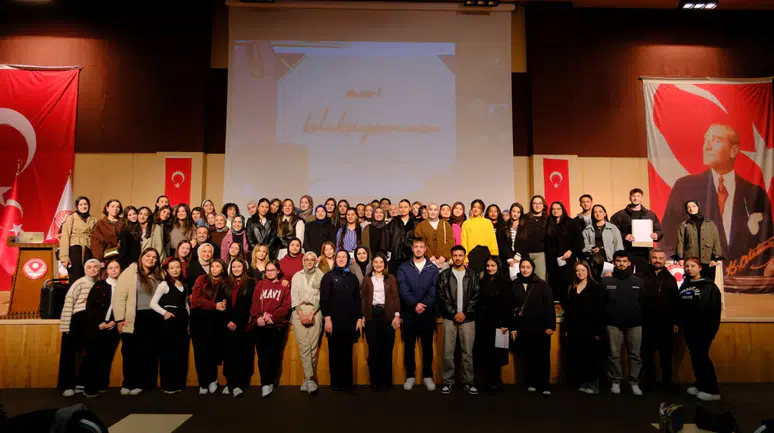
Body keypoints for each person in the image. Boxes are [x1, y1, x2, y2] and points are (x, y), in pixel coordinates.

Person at [661, 123, 773, 264]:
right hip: (699, 274)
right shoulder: (684, 187)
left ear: (734, 151)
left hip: (742, 279)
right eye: (705, 140)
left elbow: (767, 243)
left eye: (716, 140)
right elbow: (668, 237)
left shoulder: (756, 194)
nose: (707, 146)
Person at [113, 248, 163, 396]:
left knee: (148, 352)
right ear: (142, 257)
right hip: (133, 317)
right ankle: (128, 382)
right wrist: (120, 319)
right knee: (129, 352)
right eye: (148, 256)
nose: (151, 259)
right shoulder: (130, 273)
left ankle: (143, 383)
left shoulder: (159, 275)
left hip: (153, 317)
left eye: (154, 257)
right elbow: (119, 297)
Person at [437, 245, 479, 395]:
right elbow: (441, 297)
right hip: (449, 318)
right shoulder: (444, 275)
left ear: (464, 256)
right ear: (451, 257)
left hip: (468, 319)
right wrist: (454, 312)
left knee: (467, 353)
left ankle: (468, 382)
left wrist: (465, 313)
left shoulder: (473, 275)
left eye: (460, 255)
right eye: (455, 255)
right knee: (448, 352)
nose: (457, 258)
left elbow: (476, 296)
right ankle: (448, 382)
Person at [398, 237, 439, 391]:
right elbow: (403, 288)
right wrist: (414, 304)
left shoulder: (433, 268)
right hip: (410, 313)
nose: (419, 249)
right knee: (409, 346)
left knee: (427, 346)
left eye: (421, 246)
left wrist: (424, 304)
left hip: (427, 313)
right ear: (412, 248)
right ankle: (410, 376)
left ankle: (428, 376)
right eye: (416, 246)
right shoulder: (404, 267)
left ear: (425, 249)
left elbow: (435, 289)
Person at [679, 257, 722, 401]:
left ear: (700, 268)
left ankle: (712, 389)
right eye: (687, 266)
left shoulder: (709, 286)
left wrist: (711, 330)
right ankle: (700, 384)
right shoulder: (685, 284)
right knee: (695, 357)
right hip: (689, 328)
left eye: (692, 266)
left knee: (702, 358)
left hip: (703, 329)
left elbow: (715, 311)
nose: (689, 268)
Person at [321, 251, 364, 391]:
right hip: (333, 320)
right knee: (334, 352)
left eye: (344, 257)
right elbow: (324, 300)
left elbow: (357, 299)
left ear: (348, 259)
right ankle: (336, 383)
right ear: (335, 259)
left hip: (350, 320)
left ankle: (347, 383)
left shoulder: (353, 278)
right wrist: (327, 319)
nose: (341, 259)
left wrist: (358, 317)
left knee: (347, 352)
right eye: (338, 257)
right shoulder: (328, 277)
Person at [603, 250, 644, 396]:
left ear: (629, 263)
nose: (621, 264)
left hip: (635, 324)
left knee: (635, 355)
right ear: (614, 262)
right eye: (618, 261)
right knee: (613, 355)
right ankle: (616, 381)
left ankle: (634, 382)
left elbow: (644, 303)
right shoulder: (606, 281)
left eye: (624, 261)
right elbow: (601, 303)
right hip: (613, 324)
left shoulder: (638, 281)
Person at [511, 258, 555, 395]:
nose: (525, 270)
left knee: (542, 357)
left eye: (528, 267)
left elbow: (549, 306)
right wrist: (512, 327)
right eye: (522, 267)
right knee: (527, 356)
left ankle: (545, 385)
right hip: (523, 327)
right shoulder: (514, 284)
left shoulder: (542, 284)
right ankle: (531, 382)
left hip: (540, 326)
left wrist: (550, 326)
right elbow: (509, 307)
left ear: (532, 268)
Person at [638, 248, 680, 393]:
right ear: (650, 259)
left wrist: (675, 321)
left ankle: (667, 383)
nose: (657, 260)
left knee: (666, 356)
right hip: (647, 323)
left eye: (660, 258)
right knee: (647, 355)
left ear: (665, 260)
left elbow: (676, 302)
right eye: (654, 257)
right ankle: (649, 383)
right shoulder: (641, 277)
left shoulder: (670, 279)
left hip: (666, 323)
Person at [57, 258, 100, 397]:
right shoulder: (79, 283)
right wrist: (65, 325)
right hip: (76, 319)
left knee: (89, 353)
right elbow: (69, 303)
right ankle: (66, 385)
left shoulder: (100, 285)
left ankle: (81, 382)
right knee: (69, 354)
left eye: (95, 267)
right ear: (85, 269)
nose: (92, 269)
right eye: (90, 267)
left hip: (91, 321)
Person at [250, 260, 291, 398]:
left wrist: (273, 317)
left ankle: (272, 381)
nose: (270, 272)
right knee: (262, 356)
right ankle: (265, 383)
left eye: (273, 270)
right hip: (261, 325)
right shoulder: (260, 285)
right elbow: (255, 302)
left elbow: (286, 306)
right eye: (267, 270)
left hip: (276, 325)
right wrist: (258, 317)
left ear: (278, 271)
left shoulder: (283, 286)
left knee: (274, 355)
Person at [562, 261, 605, 395]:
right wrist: (567, 330)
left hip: (590, 328)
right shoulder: (571, 288)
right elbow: (568, 311)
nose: (580, 273)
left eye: (583, 270)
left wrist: (598, 331)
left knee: (591, 356)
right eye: (578, 270)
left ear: (588, 271)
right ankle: (582, 382)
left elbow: (600, 311)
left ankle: (593, 384)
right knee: (578, 356)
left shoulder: (596, 288)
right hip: (575, 328)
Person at [150, 258, 190, 394]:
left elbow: (186, 304)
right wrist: (165, 312)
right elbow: (153, 303)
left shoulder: (184, 284)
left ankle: (179, 383)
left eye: (177, 267)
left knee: (180, 353)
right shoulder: (164, 284)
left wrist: (189, 322)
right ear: (167, 270)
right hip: (169, 321)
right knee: (168, 353)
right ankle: (168, 385)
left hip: (182, 320)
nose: (175, 270)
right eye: (172, 268)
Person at [360, 253, 400, 391]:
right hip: (372, 316)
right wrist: (363, 316)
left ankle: (387, 381)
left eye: (381, 262)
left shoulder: (391, 278)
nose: (378, 265)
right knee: (374, 349)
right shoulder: (367, 279)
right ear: (372, 264)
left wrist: (397, 315)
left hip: (387, 315)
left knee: (387, 349)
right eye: (376, 262)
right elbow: (363, 299)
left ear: (385, 264)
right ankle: (375, 381)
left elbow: (395, 297)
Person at [82, 259, 121, 397]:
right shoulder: (99, 285)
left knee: (107, 357)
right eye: (111, 267)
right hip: (97, 326)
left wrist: (115, 322)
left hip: (113, 326)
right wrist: (98, 322)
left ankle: (102, 383)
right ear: (107, 270)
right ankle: (90, 387)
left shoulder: (123, 287)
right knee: (94, 356)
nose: (114, 270)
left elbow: (125, 306)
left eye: (117, 267)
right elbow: (90, 306)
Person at [190, 258, 228, 395]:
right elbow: (196, 300)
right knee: (200, 352)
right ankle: (203, 383)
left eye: (217, 266)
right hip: (199, 318)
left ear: (222, 269)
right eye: (212, 266)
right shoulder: (202, 279)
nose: (214, 269)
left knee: (212, 350)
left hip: (215, 320)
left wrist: (222, 304)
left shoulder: (225, 282)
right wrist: (214, 305)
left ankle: (212, 380)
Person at [475, 256, 511, 392]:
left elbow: (507, 305)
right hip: (484, 323)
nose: (490, 268)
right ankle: (486, 381)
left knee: (497, 354)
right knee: (484, 353)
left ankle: (496, 381)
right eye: (488, 266)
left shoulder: (504, 282)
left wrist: (505, 323)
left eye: (493, 266)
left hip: (499, 324)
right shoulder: (482, 281)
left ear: (498, 267)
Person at [291, 252, 324, 394]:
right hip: (299, 311)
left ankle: (306, 380)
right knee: (304, 345)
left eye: (312, 260)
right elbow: (294, 296)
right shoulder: (296, 276)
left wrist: (311, 313)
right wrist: (301, 314)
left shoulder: (321, 274)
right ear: (303, 261)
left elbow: (322, 297)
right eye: (307, 259)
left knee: (312, 346)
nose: (309, 262)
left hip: (315, 311)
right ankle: (310, 379)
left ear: (316, 261)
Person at [223, 259, 256, 398]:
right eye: (234, 266)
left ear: (244, 267)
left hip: (243, 324)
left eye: (239, 266)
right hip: (228, 323)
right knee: (229, 355)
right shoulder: (226, 282)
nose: (236, 268)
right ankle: (230, 383)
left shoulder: (251, 282)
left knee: (242, 355)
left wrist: (237, 321)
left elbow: (248, 304)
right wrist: (228, 321)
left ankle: (239, 384)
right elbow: (222, 304)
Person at [611, 188, 663, 272]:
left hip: (645, 250)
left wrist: (656, 235)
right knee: (627, 273)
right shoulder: (620, 215)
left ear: (641, 198)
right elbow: (613, 230)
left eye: (638, 196)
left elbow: (659, 230)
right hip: (627, 249)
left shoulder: (650, 214)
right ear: (630, 198)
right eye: (633, 196)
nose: (636, 198)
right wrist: (624, 236)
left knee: (644, 273)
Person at [545, 201, 584, 307]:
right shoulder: (549, 223)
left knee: (567, 286)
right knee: (554, 286)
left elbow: (579, 241)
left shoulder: (571, 223)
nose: (555, 211)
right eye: (553, 209)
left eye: (558, 209)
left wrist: (571, 251)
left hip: (567, 260)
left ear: (562, 210)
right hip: (553, 262)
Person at [676, 200, 722, 280]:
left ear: (698, 207)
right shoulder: (684, 225)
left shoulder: (710, 224)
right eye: (688, 207)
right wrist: (680, 258)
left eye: (693, 206)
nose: (691, 209)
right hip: (691, 260)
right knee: (692, 285)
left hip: (708, 261)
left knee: (707, 285)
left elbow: (716, 241)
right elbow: (680, 242)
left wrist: (715, 258)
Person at [59, 196, 97, 284]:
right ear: (77, 206)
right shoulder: (70, 218)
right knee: (75, 279)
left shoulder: (93, 219)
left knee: (88, 278)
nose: (83, 207)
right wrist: (64, 257)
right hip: (75, 250)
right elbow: (65, 237)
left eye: (85, 204)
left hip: (88, 250)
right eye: (81, 204)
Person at [582, 204, 624, 277]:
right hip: (593, 261)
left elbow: (618, 246)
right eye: (595, 212)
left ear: (604, 213)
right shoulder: (587, 229)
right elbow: (584, 246)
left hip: (610, 261)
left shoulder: (612, 228)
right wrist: (591, 248)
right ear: (593, 215)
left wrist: (618, 261)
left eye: (600, 211)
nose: (598, 214)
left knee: (608, 282)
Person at [414, 203, 455, 271]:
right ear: (427, 211)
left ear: (438, 212)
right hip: (427, 261)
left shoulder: (446, 225)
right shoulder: (420, 226)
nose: (433, 212)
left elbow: (450, 242)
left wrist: (443, 257)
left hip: (443, 262)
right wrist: (430, 256)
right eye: (430, 209)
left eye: (435, 210)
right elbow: (420, 242)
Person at [461, 199, 499, 268]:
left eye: (478, 207)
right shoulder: (466, 223)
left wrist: (494, 254)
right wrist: (465, 258)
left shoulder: (488, 222)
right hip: (471, 255)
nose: (476, 209)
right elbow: (464, 241)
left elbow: (492, 239)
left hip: (486, 255)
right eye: (474, 207)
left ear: (482, 210)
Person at [385, 199, 415, 275]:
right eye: (401, 207)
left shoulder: (415, 223)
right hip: (395, 257)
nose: (403, 209)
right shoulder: (393, 223)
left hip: (411, 257)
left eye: (405, 207)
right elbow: (387, 240)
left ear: (410, 208)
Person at [497, 203, 528, 273]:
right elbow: (502, 243)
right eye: (513, 211)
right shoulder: (504, 226)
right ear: (510, 212)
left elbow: (525, 242)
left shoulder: (525, 226)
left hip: (522, 257)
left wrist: (517, 257)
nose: (515, 214)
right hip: (507, 259)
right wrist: (510, 258)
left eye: (518, 212)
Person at [91, 199, 123, 264]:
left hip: (122, 258)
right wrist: (99, 260)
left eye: (118, 207)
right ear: (107, 208)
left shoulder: (124, 222)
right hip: (106, 259)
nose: (115, 209)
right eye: (113, 206)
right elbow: (96, 244)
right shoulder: (100, 224)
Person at [524, 195, 548, 280]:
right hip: (526, 254)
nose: (537, 206)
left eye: (540, 203)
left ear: (543, 205)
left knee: (540, 279)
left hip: (541, 254)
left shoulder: (548, 219)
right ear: (531, 205)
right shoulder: (525, 218)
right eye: (535, 203)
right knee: (526, 279)